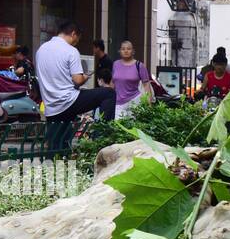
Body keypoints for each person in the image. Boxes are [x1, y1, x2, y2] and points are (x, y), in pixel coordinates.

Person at [37, 21, 116, 152]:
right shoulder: (71, 51)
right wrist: (86, 76)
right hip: (68, 101)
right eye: (77, 39)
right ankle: (101, 137)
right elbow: (78, 80)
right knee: (108, 93)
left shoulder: (41, 49)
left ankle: (53, 166)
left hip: (51, 105)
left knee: (57, 145)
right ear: (73, 34)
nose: (76, 43)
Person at [110, 40, 152, 118]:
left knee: (134, 127)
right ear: (120, 51)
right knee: (118, 127)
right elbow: (112, 82)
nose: (126, 51)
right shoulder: (115, 64)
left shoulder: (139, 65)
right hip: (118, 103)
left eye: (128, 49)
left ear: (132, 51)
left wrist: (149, 102)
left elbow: (146, 85)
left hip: (134, 101)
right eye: (123, 49)